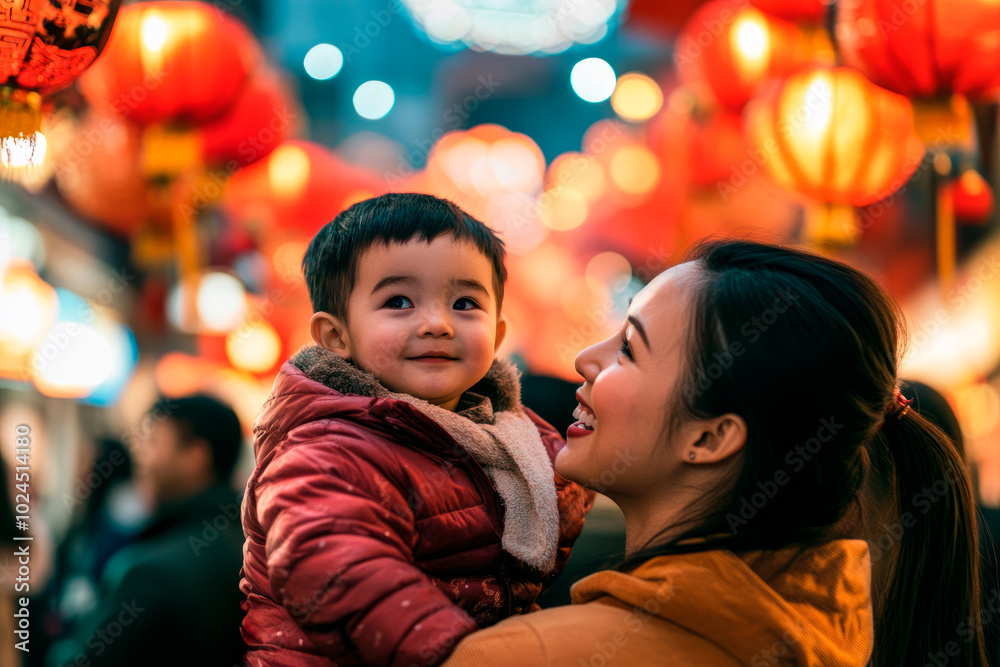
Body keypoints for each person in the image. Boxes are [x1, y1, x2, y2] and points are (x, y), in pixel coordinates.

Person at [443, 239, 988, 667]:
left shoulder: (526, 655)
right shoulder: (830, 633)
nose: (585, 358)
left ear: (710, 439)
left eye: (629, 348)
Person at [240, 193, 593, 667]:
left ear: (497, 335)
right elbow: (338, 569)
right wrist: (462, 655)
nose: (437, 324)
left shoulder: (509, 436)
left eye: (464, 303)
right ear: (336, 336)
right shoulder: (327, 448)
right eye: (399, 301)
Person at [45, 395, 245, 667]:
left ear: (196, 456)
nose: (140, 458)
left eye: (153, 443)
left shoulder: (152, 572)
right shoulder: (247, 547)